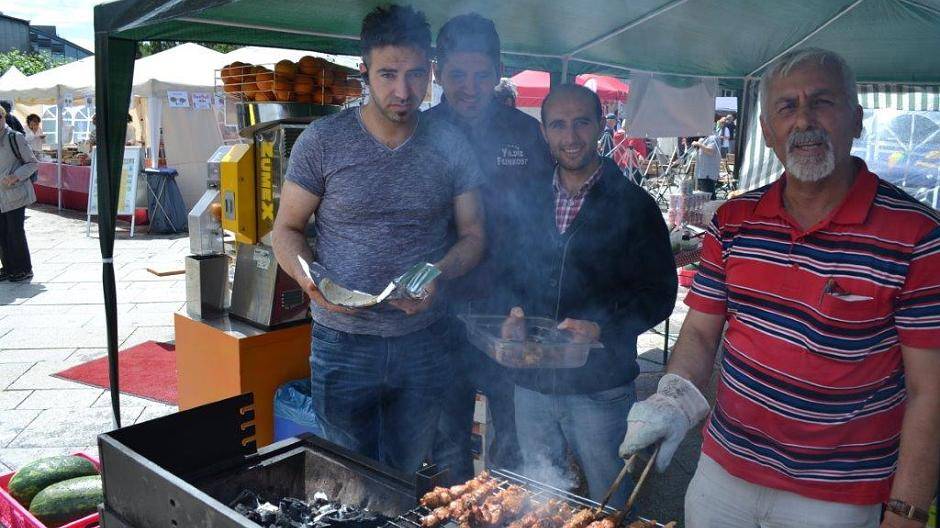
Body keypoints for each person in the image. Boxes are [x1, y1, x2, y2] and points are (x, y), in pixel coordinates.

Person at [620, 48, 940, 528]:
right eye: (787, 107)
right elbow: (702, 333)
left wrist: (907, 511)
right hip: (724, 471)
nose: (804, 120)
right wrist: (672, 399)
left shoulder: (917, 235)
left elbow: (929, 388)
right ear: (767, 132)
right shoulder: (734, 221)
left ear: (856, 120)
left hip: (836, 495)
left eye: (822, 102)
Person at [271, 4, 486, 475]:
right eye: (388, 74)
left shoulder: (451, 145)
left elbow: (473, 236)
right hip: (342, 343)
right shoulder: (323, 141)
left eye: (415, 74)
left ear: (430, 71)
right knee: (347, 474)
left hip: (422, 341)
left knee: (405, 472)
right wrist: (312, 281)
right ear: (364, 71)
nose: (403, 91)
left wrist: (437, 273)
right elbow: (285, 230)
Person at [506, 84, 677, 504]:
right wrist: (509, 312)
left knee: (609, 502)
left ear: (601, 124)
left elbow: (660, 293)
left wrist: (603, 326)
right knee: (540, 502)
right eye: (558, 125)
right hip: (531, 381)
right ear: (543, 132)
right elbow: (507, 271)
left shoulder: (635, 206)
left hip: (600, 387)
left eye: (582, 122)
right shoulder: (526, 199)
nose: (571, 137)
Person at [424, 12, 555, 484]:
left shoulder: (525, 133)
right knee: (447, 441)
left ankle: (509, 509)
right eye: (458, 74)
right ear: (438, 72)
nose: (470, 87)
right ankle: (453, 508)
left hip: (510, 310)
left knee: (513, 436)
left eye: (482, 75)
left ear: (499, 72)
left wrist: (535, 302)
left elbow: (546, 220)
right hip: (439, 311)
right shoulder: (421, 132)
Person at [0, 105, 37, 282]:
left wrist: (15, 176)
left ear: (4, 117)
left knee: (15, 232)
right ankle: (8, 268)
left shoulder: (15, 137)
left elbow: (32, 163)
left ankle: (23, 268)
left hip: (14, 193)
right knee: (2, 233)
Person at [690, 133, 720, 198]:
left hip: (707, 174)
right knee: (702, 198)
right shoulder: (703, 139)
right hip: (700, 174)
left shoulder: (713, 138)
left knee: (709, 198)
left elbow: (711, 151)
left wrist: (699, 144)